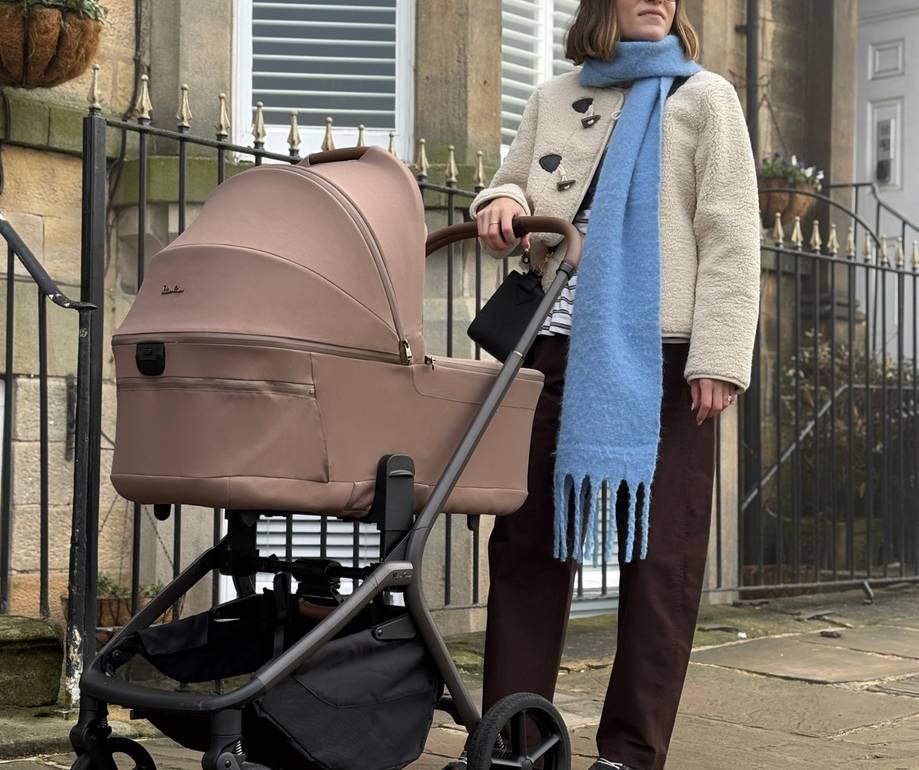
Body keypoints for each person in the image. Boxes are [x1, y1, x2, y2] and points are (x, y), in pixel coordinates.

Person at [445, 1, 761, 769]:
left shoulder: (705, 97)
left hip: (667, 359)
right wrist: (503, 203)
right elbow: (510, 182)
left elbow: (729, 229)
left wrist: (718, 357)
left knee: (661, 563)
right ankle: (515, 746)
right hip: (549, 351)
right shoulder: (554, 96)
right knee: (524, 547)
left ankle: (629, 752)